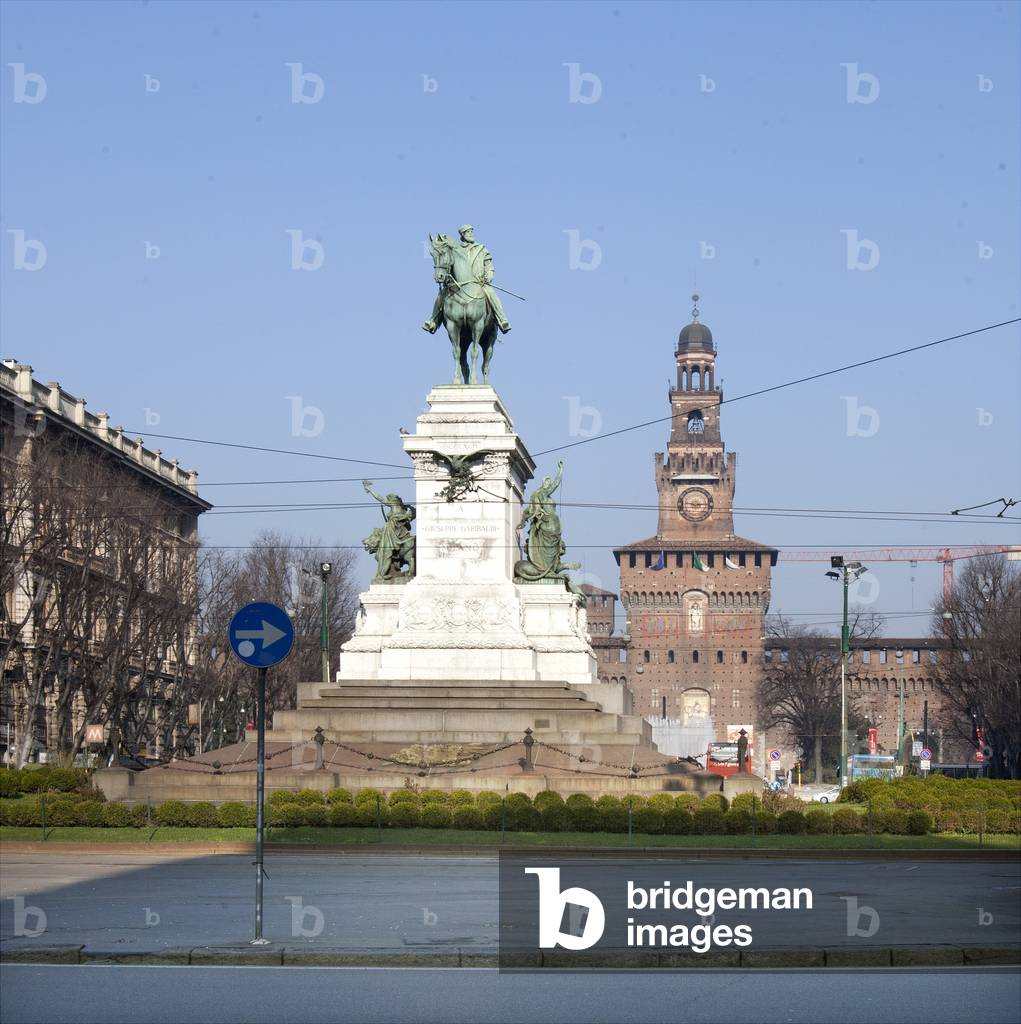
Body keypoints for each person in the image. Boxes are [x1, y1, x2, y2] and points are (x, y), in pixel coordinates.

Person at [423, 225, 511, 334]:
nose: (471, 234)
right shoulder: (456, 250)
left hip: (479, 282)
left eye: (471, 232)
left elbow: (489, 265)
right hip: (458, 285)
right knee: (442, 295)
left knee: (491, 292)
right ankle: (433, 321)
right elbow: (449, 265)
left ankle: (502, 319)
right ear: (462, 235)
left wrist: (489, 274)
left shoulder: (481, 249)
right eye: (468, 232)